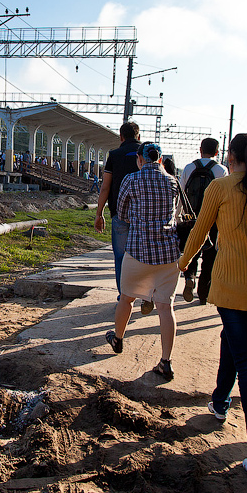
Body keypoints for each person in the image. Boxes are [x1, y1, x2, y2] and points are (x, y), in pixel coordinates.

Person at [178, 133, 247, 480]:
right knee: (234, 339)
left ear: (230, 156)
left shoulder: (222, 188)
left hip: (231, 288)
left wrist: (183, 263)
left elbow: (199, 230)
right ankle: (220, 401)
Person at [105, 142, 181, 380]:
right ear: (159, 160)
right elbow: (176, 213)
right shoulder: (173, 182)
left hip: (138, 250)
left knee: (126, 298)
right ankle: (165, 362)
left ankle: (118, 339)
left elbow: (122, 213)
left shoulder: (131, 180)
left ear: (140, 159)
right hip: (169, 255)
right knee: (165, 307)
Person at [94, 122, 145, 306]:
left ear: (121, 137)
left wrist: (99, 214)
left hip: (119, 214)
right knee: (144, 255)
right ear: (138, 136)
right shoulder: (146, 153)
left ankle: (124, 297)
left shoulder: (114, 155)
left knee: (121, 257)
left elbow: (105, 187)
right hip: (144, 216)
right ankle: (145, 293)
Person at [179, 138, 228, 304]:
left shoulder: (188, 168)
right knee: (210, 256)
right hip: (213, 220)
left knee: (191, 250)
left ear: (200, 150)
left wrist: (179, 217)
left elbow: (181, 194)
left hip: (191, 218)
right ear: (217, 152)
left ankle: (189, 277)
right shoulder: (222, 170)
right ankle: (203, 293)